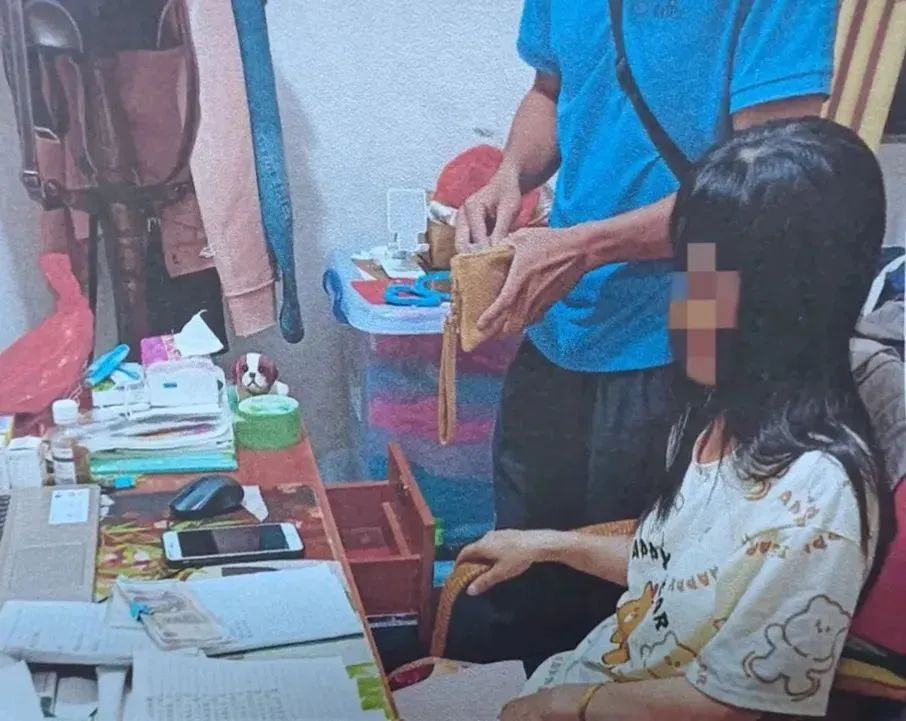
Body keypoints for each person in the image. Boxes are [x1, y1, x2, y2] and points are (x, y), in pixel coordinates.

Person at [454, 118, 891, 721]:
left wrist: (565, 703)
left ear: (790, 304)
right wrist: (549, 544)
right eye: (688, 271)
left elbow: (734, 705)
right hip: (592, 679)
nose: (685, 307)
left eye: (711, 281)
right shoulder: (717, 416)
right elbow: (678, 567)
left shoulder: (821, 494)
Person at [448, 0, 841, 667]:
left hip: (704, 298)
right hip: (569, 309)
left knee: (654, 589)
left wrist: (584, 247)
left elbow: (763, 184)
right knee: (522, 562)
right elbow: (551, 90)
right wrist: (508, 175)